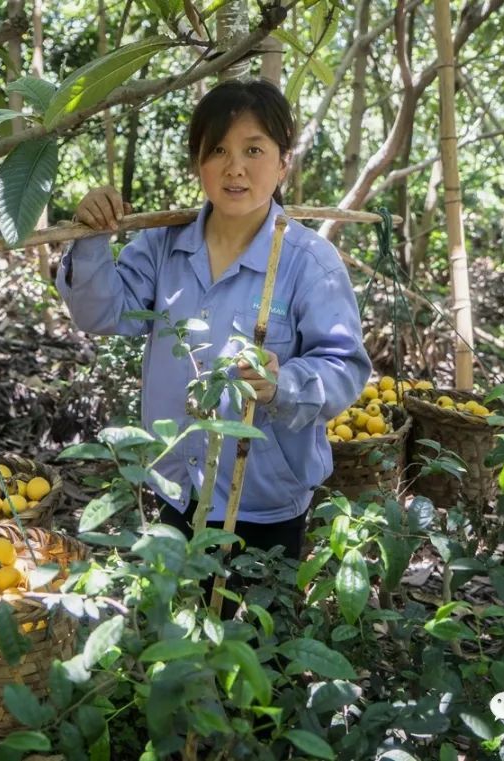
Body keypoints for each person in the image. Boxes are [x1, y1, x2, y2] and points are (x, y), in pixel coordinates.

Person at [55, 78, 370, 565]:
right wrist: (92, 237)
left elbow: (344, 366)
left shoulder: (309, 263)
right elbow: (102, 311)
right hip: (174, 487)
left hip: (263, 502)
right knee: (177, 632)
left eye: (254, 149)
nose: (235, 168)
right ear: (198, 161)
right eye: (218, 149)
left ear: (284, 161)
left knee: (255, 638)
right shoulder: (164, 246)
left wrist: (283, 383)